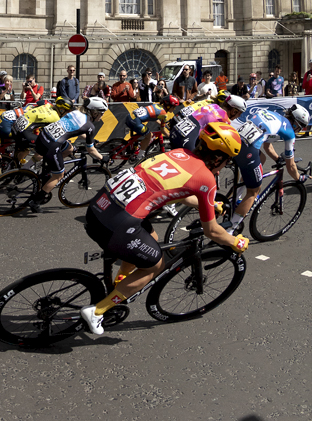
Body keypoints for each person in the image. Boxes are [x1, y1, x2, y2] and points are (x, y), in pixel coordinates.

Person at [80, 121, 249, 336]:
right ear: (218, 157)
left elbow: (177, 191)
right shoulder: (206, 178)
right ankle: (97, 311)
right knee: (154, 265)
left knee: (151, 236)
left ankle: (122, 279)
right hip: (118, 224)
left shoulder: (178, 153)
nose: (225, 165)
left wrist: (210, 205)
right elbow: (212, 231)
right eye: (227, 161)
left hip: (100, 206)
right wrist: (236, 242)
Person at [227, 101, 308, 231]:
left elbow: (267, 146)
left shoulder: (273, 115)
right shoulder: (289, 132)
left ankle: (236, 198)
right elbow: (291, 166)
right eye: (301, 127)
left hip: (234, 139)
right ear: (296, 123)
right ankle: (229, 230)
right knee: (254, 191)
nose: (300, 130)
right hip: (247, 150)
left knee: (262, 158)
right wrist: (299, 178)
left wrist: (277, 158)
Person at [29, 96, 108, 205]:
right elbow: (91, 150)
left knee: (69, 148)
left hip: (43, 136)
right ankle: (36, 201)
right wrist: (102, 157)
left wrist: (91, 140)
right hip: (52, 145)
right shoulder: (90, 126)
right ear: (94, 112)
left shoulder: (75, 112)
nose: (102, 116)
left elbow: (75, 130)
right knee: (59, 176)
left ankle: (48, 169)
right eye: (101, 113)